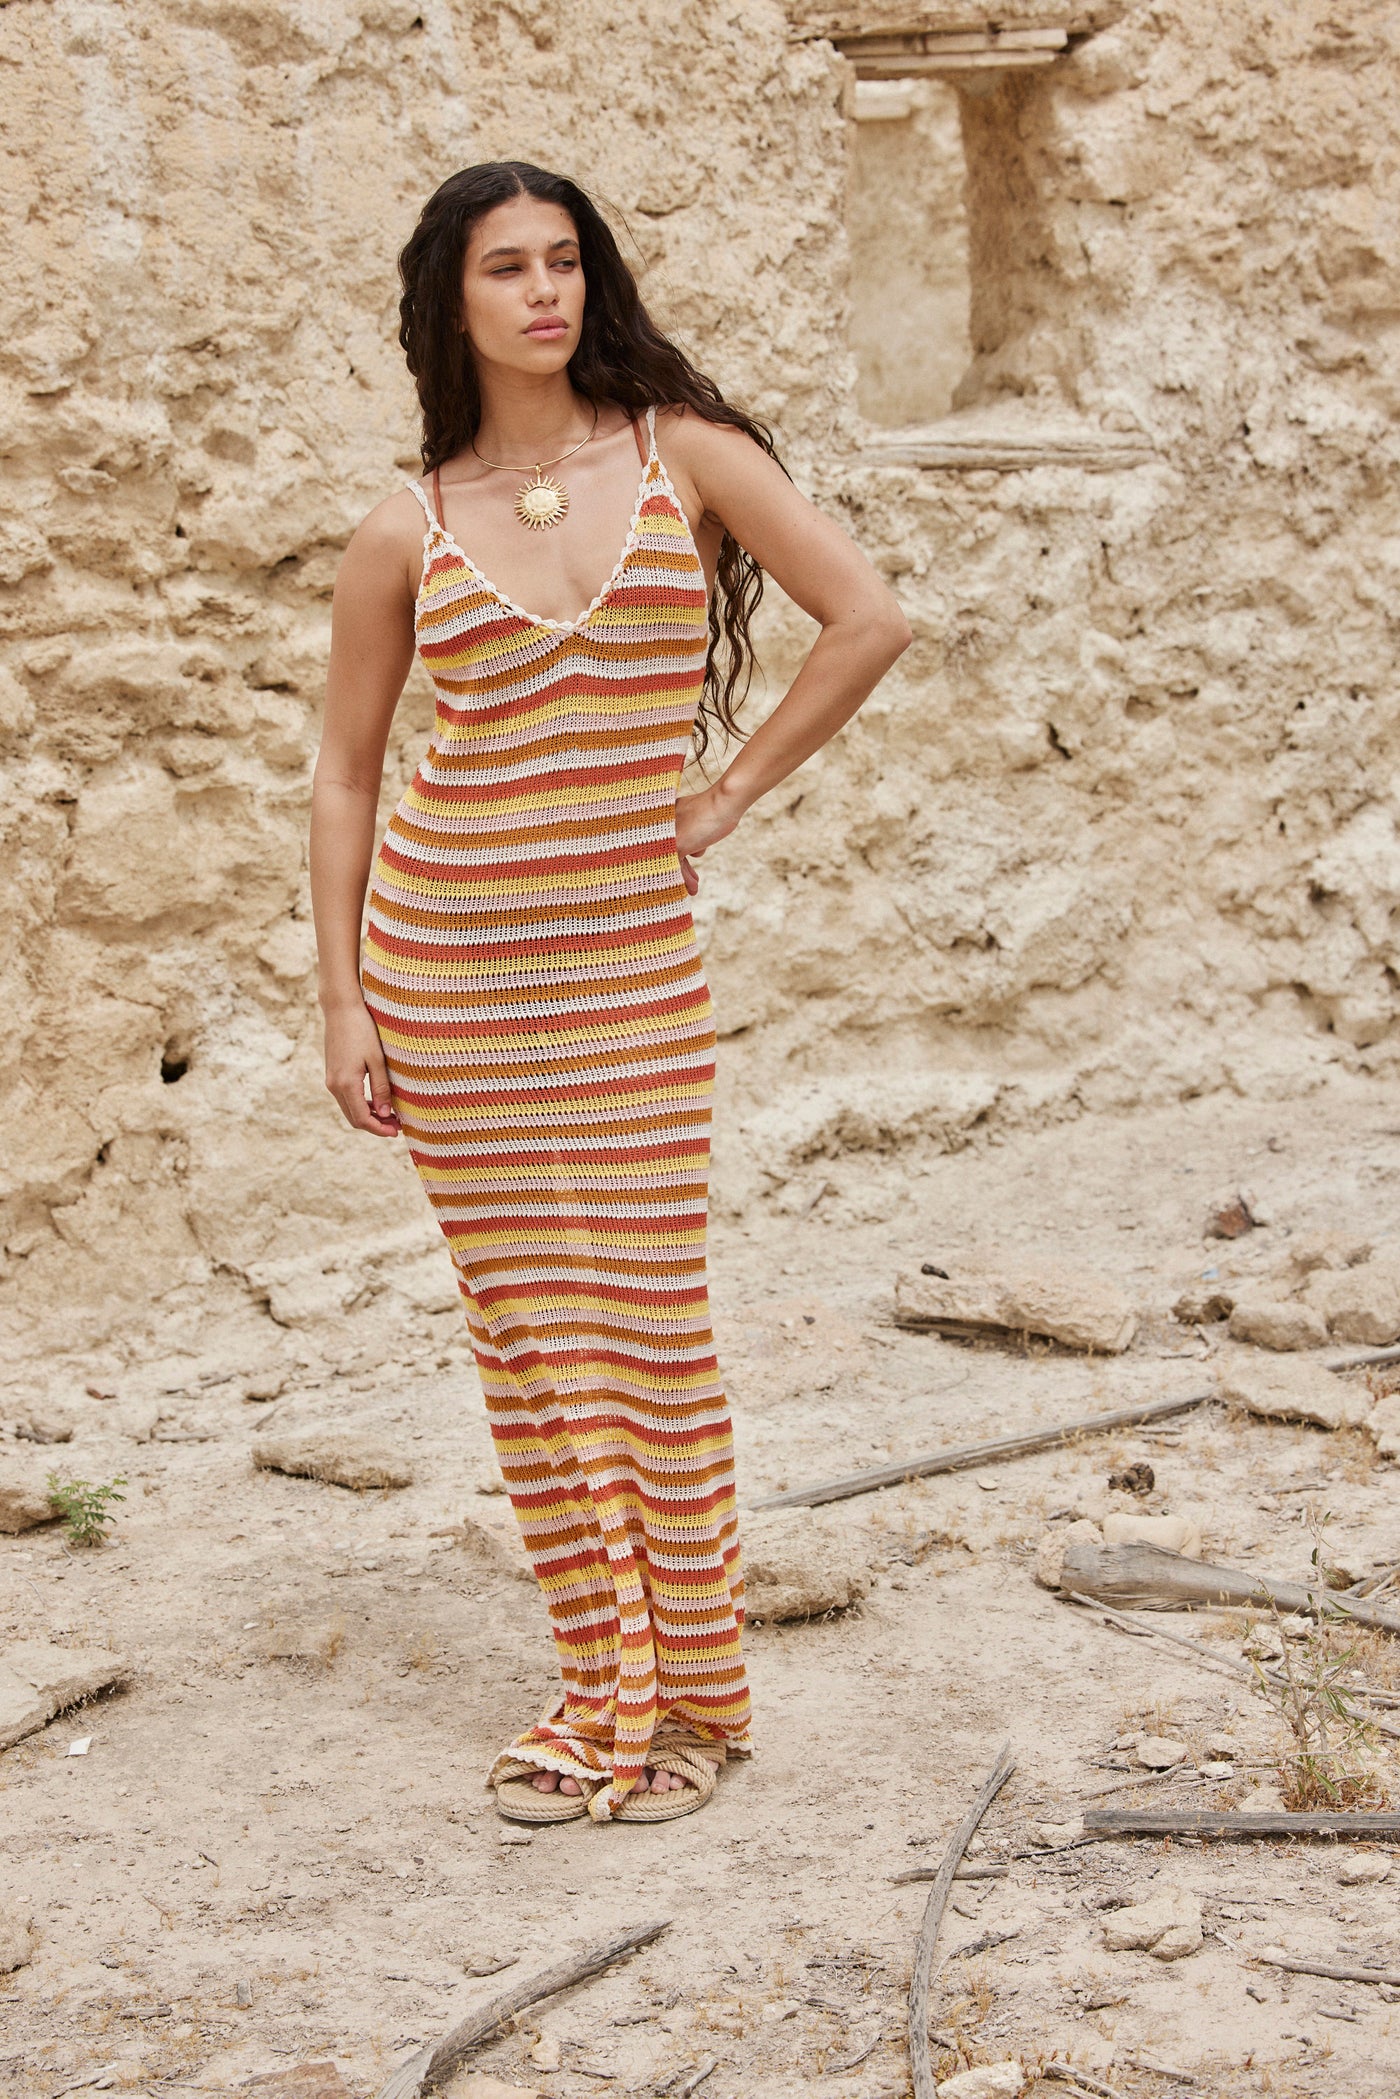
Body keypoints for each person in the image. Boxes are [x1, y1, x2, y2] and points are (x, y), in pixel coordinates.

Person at [310, 161, 910, 1825]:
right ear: (452, 304)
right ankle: (600, 1694)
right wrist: (346, 1001)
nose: (545, 293)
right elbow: (347, 776)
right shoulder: (405, 528)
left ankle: (696, 1701)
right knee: (529, 1341)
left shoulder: (682, 456)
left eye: (565, 260)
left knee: (648, 1327)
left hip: (632, 968)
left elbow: (869, 619)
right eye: (506, 268)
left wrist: (725, 795)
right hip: (447, 967)